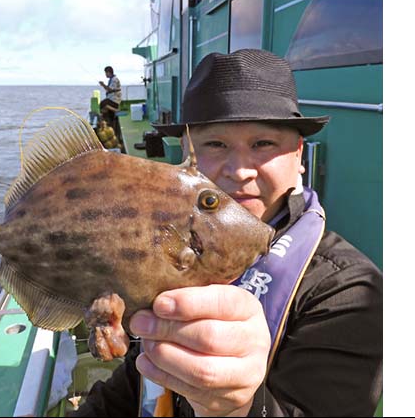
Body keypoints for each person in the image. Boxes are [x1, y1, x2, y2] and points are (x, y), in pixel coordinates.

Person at [72, 49, 382, 417]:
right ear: (188, 155)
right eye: (216, 145)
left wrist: (238, 408)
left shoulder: (350, 291)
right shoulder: (175, 249)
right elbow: (136, 376)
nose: (239, 171)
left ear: (299, 154)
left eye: (263, 144)